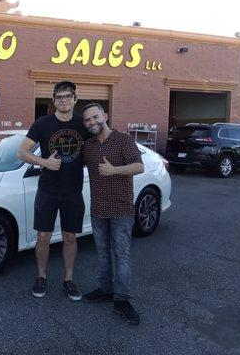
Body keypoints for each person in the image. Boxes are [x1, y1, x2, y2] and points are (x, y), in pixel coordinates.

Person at [18, 81, 90, 300]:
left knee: (70, 236)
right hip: (48, 189)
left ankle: (69, 279)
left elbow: (102, 141)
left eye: (68, 96)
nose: (64, 100)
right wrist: (44, 163)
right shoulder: (42, 123)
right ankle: (41, 277)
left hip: (73, 190)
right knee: (43, 236)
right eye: (59, 97)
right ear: (54, 100)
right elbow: (22, 152)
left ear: (75, 99)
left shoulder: (83, 124)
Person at [81, 103, 144, 325]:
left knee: (122, 255)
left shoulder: (123, 140)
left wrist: (114, 170)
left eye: (95, 117)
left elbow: (139, 166)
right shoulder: (87, 146)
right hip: (98, 208)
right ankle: (106, 290)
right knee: (102, 253)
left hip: (121, 208)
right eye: (87, 120)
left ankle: (122, 299)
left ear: (105, 116)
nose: (92, 122)